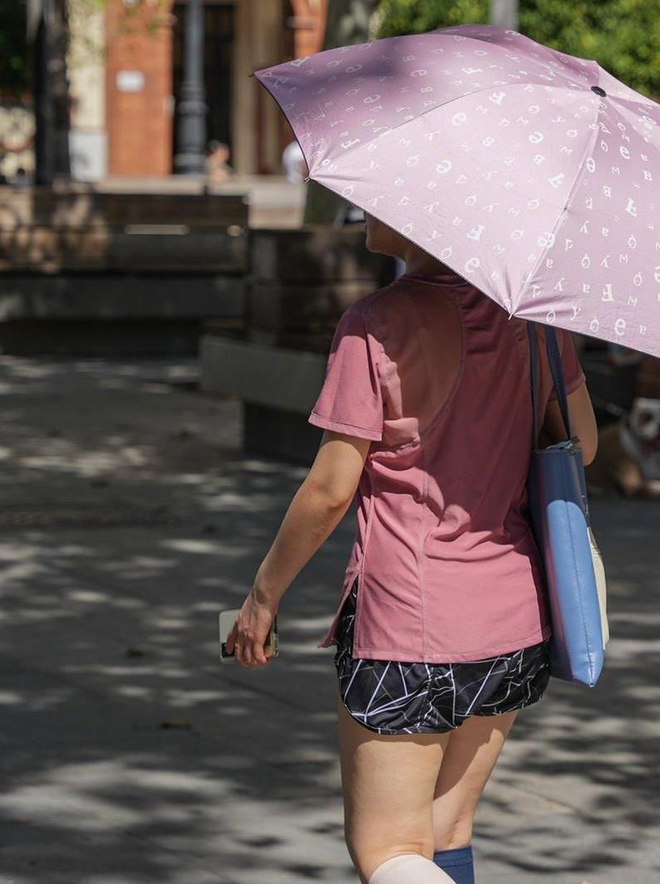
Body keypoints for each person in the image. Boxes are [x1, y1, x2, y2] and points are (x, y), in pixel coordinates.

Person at [226, 212, 599, 884]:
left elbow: (330, 491)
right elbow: (584, 446)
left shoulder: (376, 324)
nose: (363, 210)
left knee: (389, 849)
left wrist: (262, 596)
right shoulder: (539, 321)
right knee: (446, 831)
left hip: (407, 620)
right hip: (514, 616)